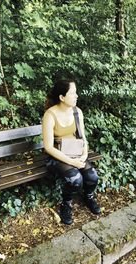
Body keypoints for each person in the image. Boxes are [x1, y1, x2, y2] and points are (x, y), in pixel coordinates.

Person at [42, 79, 101, 225]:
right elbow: (48, 147)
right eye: (73, 93)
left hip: (74, 151)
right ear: (62, 97)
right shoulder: (50, 115)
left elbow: (83, 138)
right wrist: (72, 162)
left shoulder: (77, 112)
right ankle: (66, 204)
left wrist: (84, 155)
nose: (77, 96)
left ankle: (88, 197)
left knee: (93, 176)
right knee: (76, 180)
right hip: (56, 155)